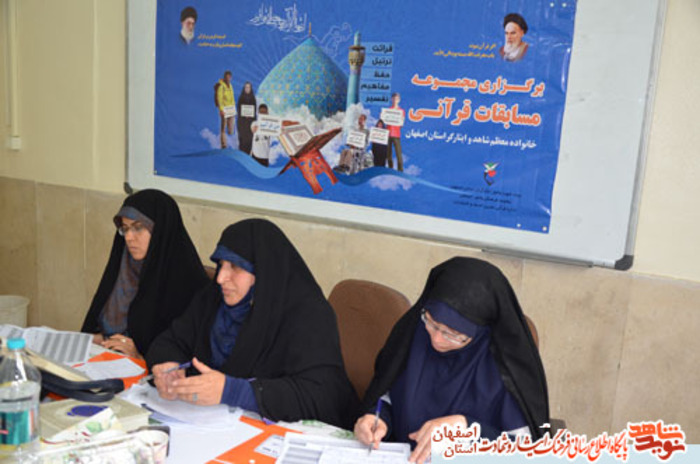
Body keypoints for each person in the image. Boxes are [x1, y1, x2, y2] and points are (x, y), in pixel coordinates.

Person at [146, 219, 358, 428]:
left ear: (263, 272)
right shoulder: (212, 299)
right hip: (213, 426)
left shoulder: (309, 314)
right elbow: (170, 341)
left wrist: (235, 391)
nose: (220, 278)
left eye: (235, 267)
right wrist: (168, 365)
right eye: (220, 265)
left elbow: (321, 396)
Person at [355, 258, 549, 464]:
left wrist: (468, 429)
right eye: (432, 323)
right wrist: (377, 418)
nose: (436, 339)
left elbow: (526, 451)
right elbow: (387, 394)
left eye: (453, 334)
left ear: (481, 331)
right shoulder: (415, 334)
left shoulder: (506, 369)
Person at [81, 189, 209, 359]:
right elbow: (100, 324)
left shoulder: (190, 286)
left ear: (160, 230)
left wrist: (140, 358)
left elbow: (184, 359)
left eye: (138, 228)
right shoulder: (124, 267)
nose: (129, 237)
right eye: (125, 229)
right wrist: (99, 339)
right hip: (103, 360)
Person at [216, 70, 236, 148]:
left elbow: (232, 97)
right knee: (223, 128)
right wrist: (221, 109)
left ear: (231, 78)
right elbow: (219, 99)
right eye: (226, 77)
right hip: (224, 110)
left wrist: (234, 107)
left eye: (229, 77)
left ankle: (231, 141)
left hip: (231, 109)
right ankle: (223, 144)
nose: (228, 78)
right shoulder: (221, 87)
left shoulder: (230, 86)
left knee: (231, 129)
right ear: (224, 77)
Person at [236, 82, 257, 154]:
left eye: (249, 87)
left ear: (251, 89)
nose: (247, 89)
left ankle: (247, 156)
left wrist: (250, 115)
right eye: (246, 87)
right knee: (242, 142)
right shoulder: (241, 98)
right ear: (244, 88)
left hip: (250, 124)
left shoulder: (253, 99)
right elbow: (239, 110)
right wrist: (243, 115)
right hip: (242, 124)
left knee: (249, 142)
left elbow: (254, 111)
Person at [386, 93, 405, 172]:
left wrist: (399, 122)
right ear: (391, 99)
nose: (395, 100)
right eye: (394, 99)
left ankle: (400, 170)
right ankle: (390, 169)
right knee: (388, 154)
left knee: (398, 153)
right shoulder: (388, 110)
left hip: (396, 134)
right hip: (388, 134)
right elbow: (385, 121)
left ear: (399, 100)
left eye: (396, 99)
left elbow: (401, 124)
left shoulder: (401, 111)